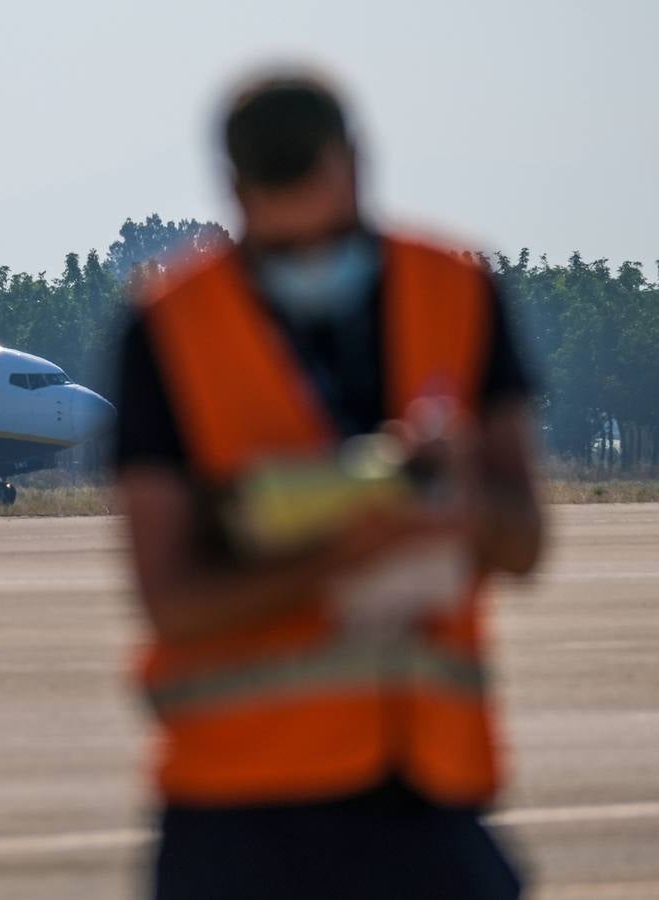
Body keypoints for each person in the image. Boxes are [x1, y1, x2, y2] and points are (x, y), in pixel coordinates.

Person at [115, 73, 543, 899]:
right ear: (235, 190)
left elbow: (525, 544)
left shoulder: (454, 290)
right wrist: (338, 551)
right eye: (280, 228)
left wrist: (457, 500)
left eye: (320, 208)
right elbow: (167, 598)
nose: (309, 245)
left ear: (357, 164)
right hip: (235, 811)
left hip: (425, 792)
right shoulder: (169, 326)